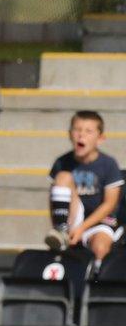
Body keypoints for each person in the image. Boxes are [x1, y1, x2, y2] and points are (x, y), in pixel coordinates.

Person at [44, 111, 123, 272]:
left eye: (88, 131)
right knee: (63, 176)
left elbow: (110, 203)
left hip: (100, 221)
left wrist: (82, 228)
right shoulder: (62, 162)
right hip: (73, 218)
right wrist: (61, 225)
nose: (81, 135)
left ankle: (96, 282)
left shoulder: (108, 164)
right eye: (77, 129)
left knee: (100, 247)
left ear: (100, 138)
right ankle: (62, 232)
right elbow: (53, 197)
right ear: (69, 134)